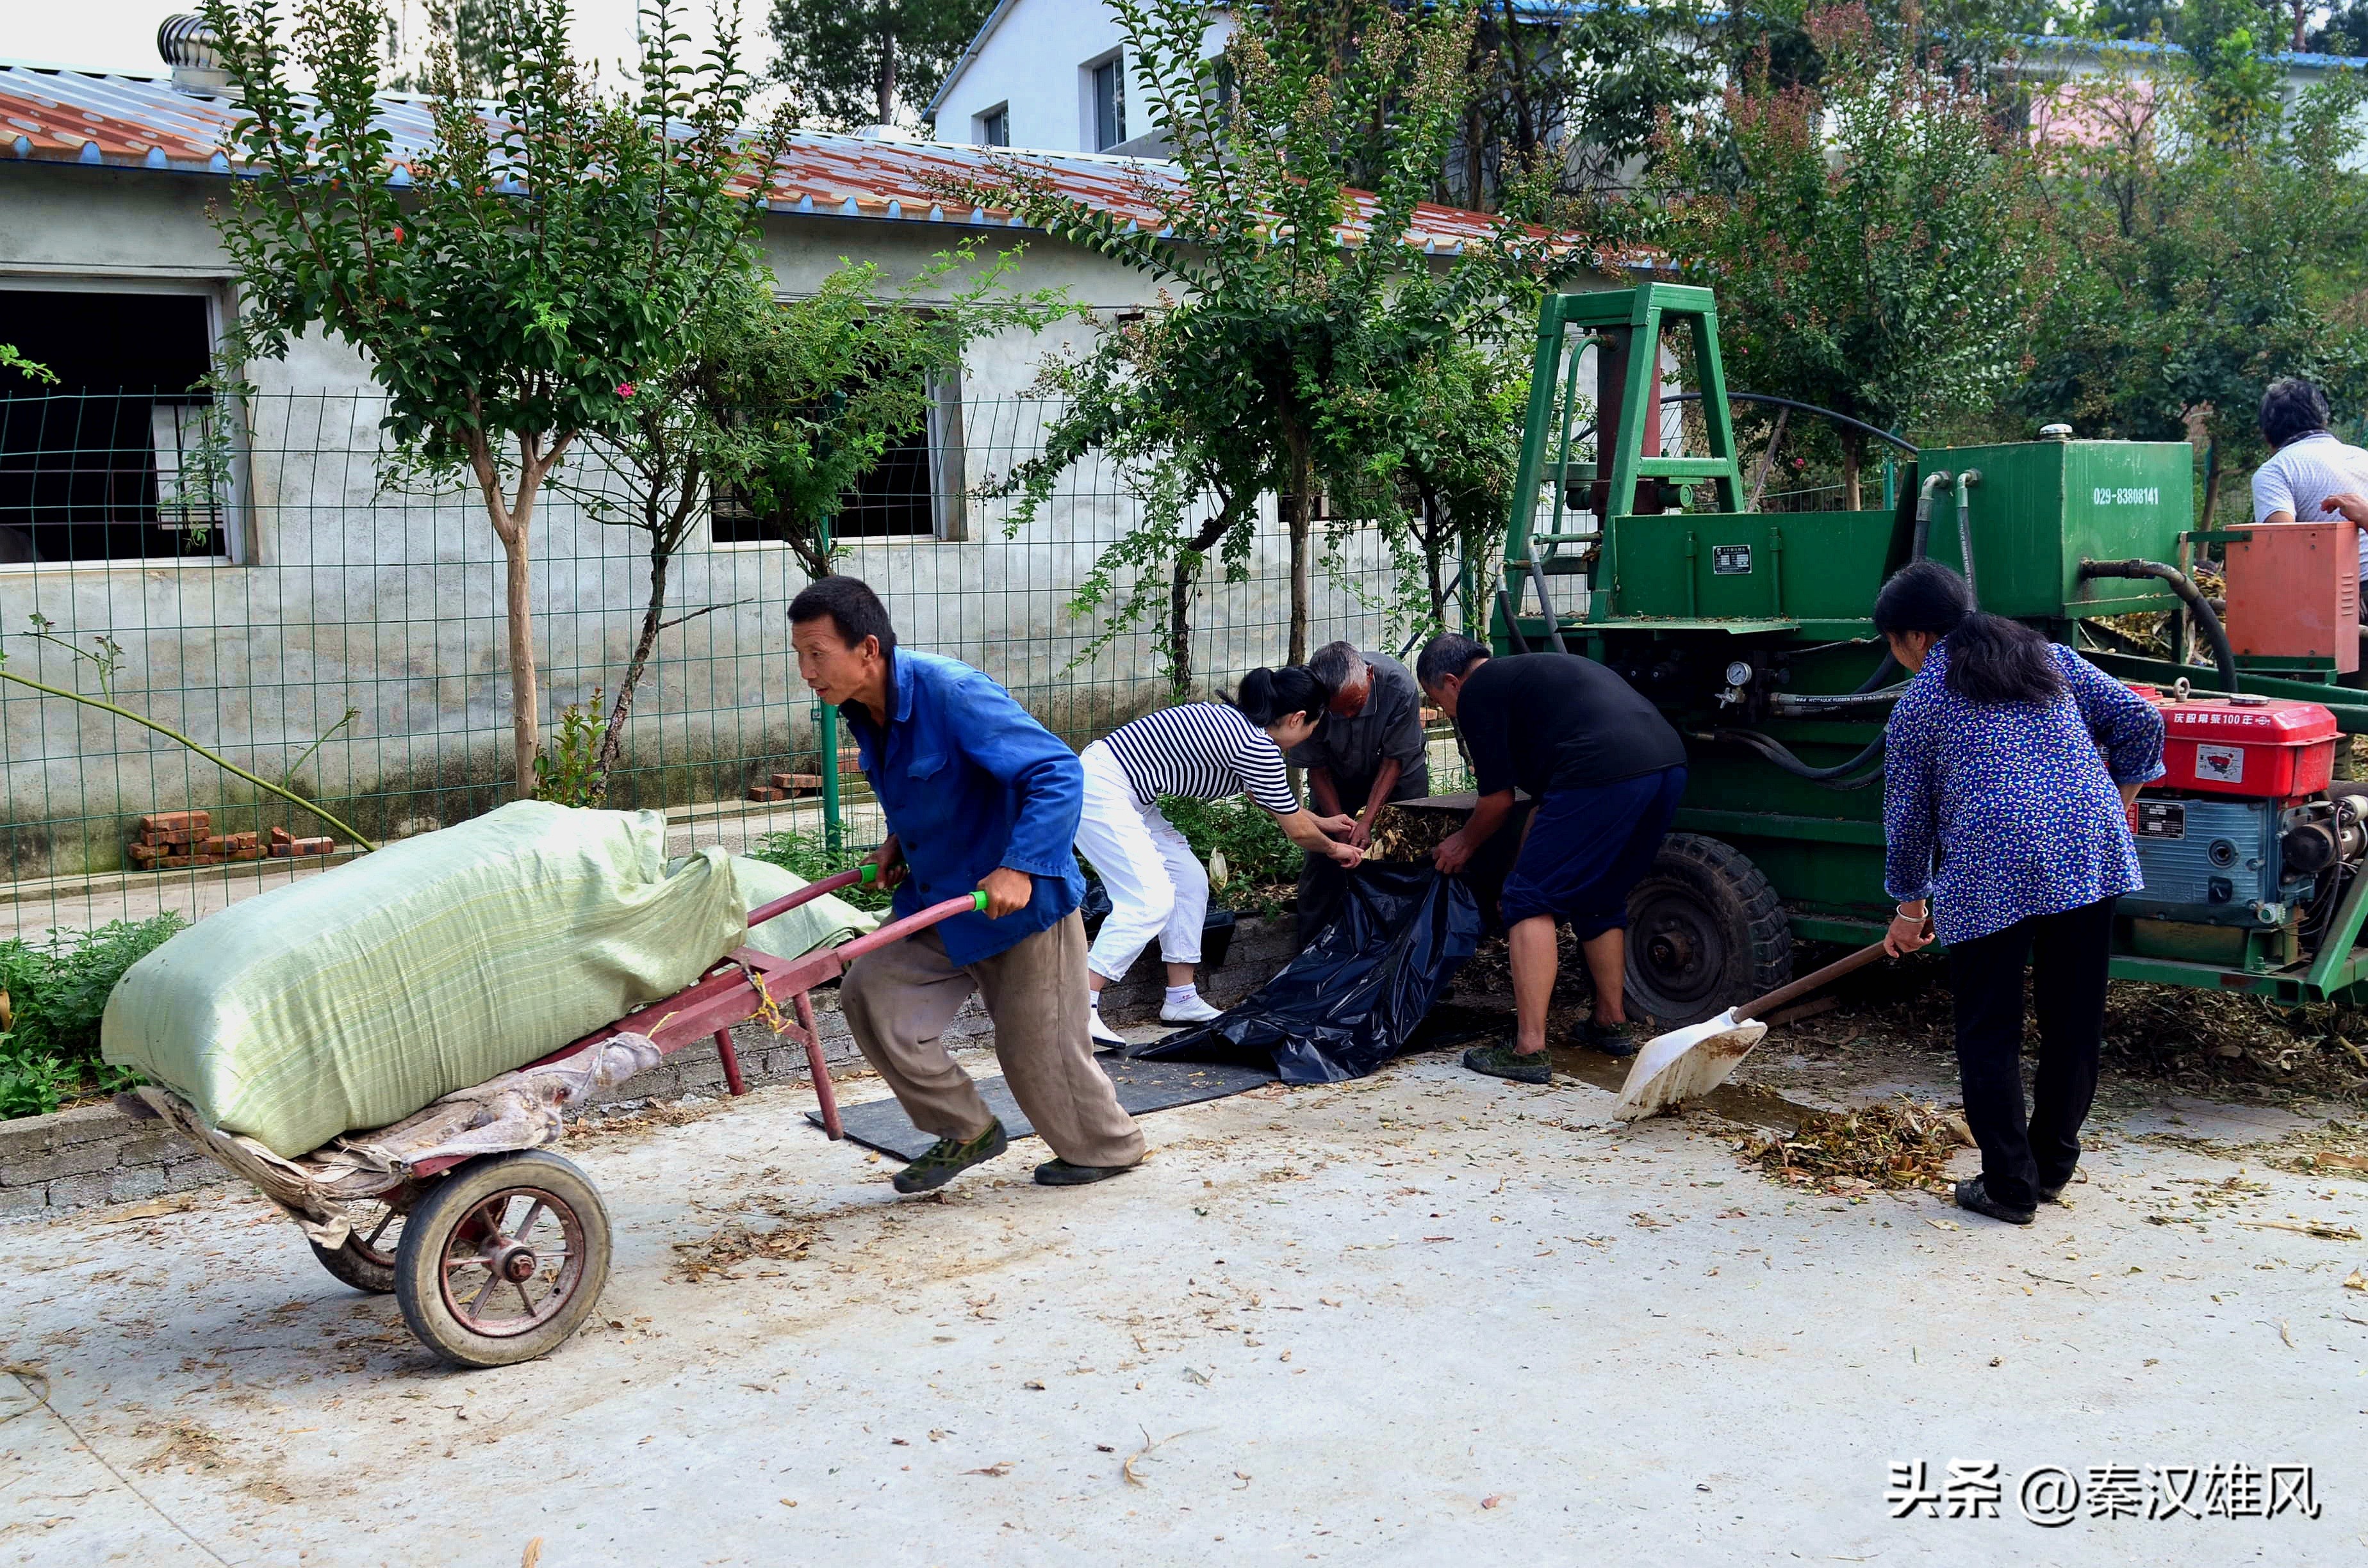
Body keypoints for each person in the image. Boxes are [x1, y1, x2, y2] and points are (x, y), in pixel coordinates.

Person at [789, 576, 1144, 1193]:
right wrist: (898, 844)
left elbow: (1058, 773)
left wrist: (1021, 865)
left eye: (816, 654)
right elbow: (935, 789)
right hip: (944, 901)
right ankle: (965, 1129)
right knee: (872, 991)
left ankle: (1110, 1149)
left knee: (1038, 1055)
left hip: (1020, 905)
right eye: (799, 655)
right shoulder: (862, 710)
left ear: (867, 649)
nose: (806, 671)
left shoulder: (951, 693)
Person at [1875, 560, 2165, 1227]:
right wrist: (2118, 797)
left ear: (1917, 637)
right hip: (2085, 853)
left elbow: (1908, 818)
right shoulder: (2050, 658)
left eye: (1893, 644)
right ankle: (2052, 1169)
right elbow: (2141, 722)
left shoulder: (1922, 702)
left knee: (1990, 1030)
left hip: (1990, 867)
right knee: (2074, 1022)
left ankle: (2009, 1185)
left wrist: (1908, 910)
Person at [1415, 633, 1688, 1080]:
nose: (1447, 712)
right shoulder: (1532, 680)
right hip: (1666, 764)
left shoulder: (1480, 691)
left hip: (1602, 769)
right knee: (1600, 897)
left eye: (1438, 700)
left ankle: (1528, 1049)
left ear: (1451, 682)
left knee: (1528, 902)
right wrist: (1521, 873)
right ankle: (1610, 1023)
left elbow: (1498, 802)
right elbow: (1545, 806)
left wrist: (1463, 843)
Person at [1076, 669, 1365, 1045]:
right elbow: (1295, 830)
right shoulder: (1256, 745)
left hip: (1130, 796)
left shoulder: (1243, 728)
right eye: (1313, 726)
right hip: (1101, 789)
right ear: (1296, 719)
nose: (1310, 736)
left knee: (1190, 883)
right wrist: (1335, 848)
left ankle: (1181, 999)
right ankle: (1077, 1007)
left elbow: (1274, 803)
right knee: (1149, 901)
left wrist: (1324, 823)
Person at [1287, 640, 1432, 947]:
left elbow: (1395, 762)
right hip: (1337, 778)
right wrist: (1338, 831)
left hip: (1400, 775)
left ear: (1369, 675)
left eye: (1356, 705)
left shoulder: (1398, 686)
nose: (1350, 715)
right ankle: (1312, 949)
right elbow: (1318, 770)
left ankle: (1410, 948)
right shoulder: (1306, 697)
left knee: (1407, 854)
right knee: (1323, 858)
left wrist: (1366, 822)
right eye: (1341, 711)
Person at [2250, 377, 2368, 591]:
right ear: (2323, 421)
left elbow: (2284, 547)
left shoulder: (2275, 471)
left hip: (2344, 597)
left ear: (2267, 436)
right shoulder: (2363, 458)